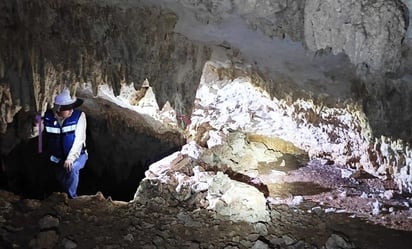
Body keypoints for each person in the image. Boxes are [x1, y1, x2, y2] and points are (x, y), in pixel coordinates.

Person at [43, 88, 88, 198]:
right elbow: (36, 134)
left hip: (78, 155)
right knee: (60, 178)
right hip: (57, 157)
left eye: (72, 107)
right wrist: (35, 124)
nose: (71, 110)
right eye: (68, 108)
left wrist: (71, 158)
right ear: (58, 109)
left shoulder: (79, 117)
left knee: (72, 169)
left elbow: (79, 140)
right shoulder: (46, 117)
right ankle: (60, 197)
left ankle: (72, 198)